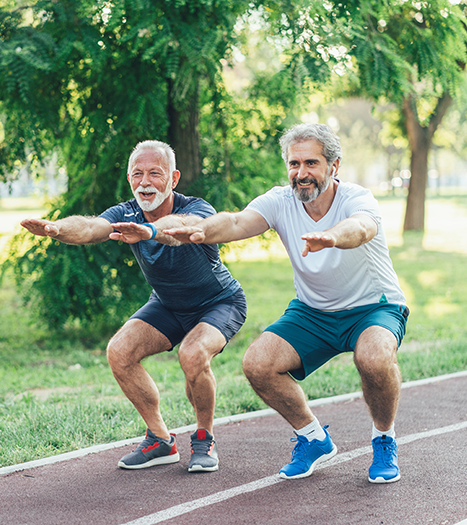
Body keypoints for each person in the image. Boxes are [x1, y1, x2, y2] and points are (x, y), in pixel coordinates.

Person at [164, 123, 408, 484]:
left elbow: (361, 228)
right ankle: (312, 438)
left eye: (311, 163)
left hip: (373, 307)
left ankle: (383, 438)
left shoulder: (357, 198)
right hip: (313, 311)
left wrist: (331, 237)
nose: (301, 173)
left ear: (333, 166)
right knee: (258, 364)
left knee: (373, 358)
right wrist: (201, 231)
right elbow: (234, 221)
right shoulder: (280, 200)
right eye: (294, 164)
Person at [21, 140, 247, 473]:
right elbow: (91, 226)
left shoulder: (197, 209)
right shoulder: (125, 212)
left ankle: (204, 439)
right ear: (129, 178)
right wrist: (58, 229)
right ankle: (159, 439)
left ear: (173, 178)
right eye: (138, 173)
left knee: (193, 354)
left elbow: (179, 230)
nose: (145, 182)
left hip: (218, 303)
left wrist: (151, 231)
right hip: (168, 304)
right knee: (120, 351)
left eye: (155, 173)